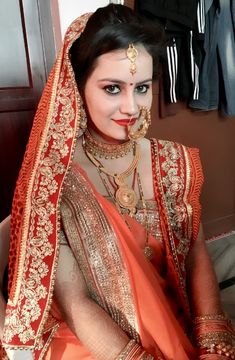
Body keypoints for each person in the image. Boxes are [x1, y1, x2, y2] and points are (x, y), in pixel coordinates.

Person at [0, 4, 234, 360]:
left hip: (172, 316)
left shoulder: (172, 160)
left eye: (141, 88)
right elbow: (75, 301)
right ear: (76, 88)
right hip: (91, 339)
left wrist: (213, 340)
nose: (131, 108)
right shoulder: (54, 179)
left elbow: (196, 256)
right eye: (112, 89)